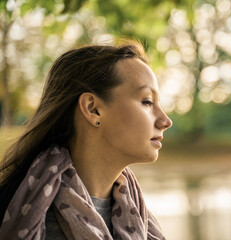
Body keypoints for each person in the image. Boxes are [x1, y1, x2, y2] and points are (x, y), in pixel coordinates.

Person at [0, 41, 172, 239]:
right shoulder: (31, 219)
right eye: (147, 101)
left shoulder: (140, 218)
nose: (165, 121)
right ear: (93, 109)